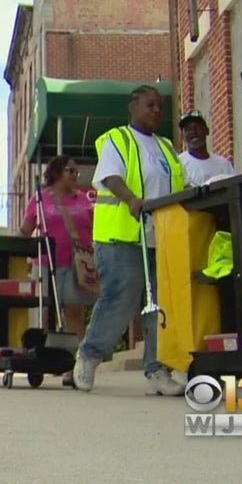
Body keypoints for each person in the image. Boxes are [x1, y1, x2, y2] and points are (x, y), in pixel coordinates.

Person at [72, 85, 188, 396]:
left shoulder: (166, 147)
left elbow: (179, 184)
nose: (156, 111)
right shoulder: (117, 139)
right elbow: (111, 177)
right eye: (150, 105)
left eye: (160, 106)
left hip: (159, 239)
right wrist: (132, 199)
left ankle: (157, 369)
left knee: (160, 306)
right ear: (133, 106)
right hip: (121, 237)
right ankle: (89, 355)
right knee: (120, 300)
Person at [19, 156, 97, 343]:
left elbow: (95, 229)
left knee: (75, 312)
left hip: (76, 265)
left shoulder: (83, 199)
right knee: (46, 313)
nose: (75, 175)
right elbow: (25, 231)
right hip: (46, 265)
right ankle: (45, 352)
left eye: (77, 172)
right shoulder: (40, 199)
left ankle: (76, 354)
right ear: (56, 172)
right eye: (70, 171)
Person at [178, 110, 237, 186]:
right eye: (188, 130)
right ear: (182, 137)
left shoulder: (224, 165)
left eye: (197, 127)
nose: (193, 132)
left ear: (207, 130)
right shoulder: (178, 165)